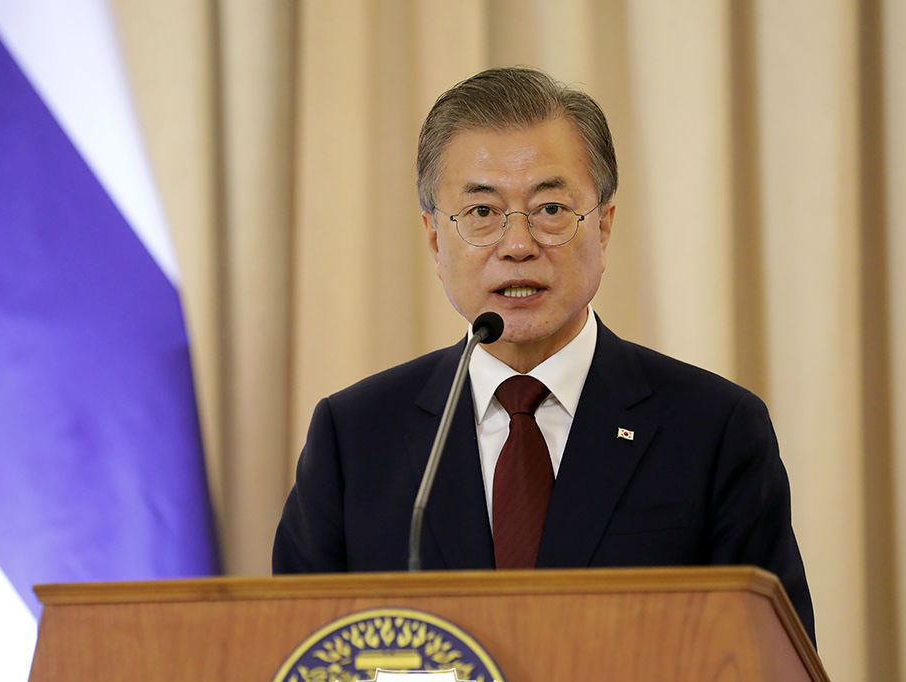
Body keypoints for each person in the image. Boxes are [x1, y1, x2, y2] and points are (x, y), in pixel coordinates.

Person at [272, 67, 815, 646]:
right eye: (481, 212)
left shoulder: (714, 429)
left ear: (603, 225)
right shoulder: (356, 437)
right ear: (435, 238)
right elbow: (297, 668)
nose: (518, 244)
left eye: (551, 209)